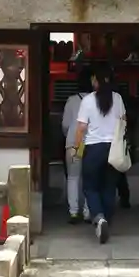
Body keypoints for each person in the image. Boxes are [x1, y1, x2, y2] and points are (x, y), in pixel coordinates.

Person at [74, 67, 126, 243]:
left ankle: (99, 217)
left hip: (93, 149)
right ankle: (106, 220)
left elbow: (81, 128)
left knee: (90, 187)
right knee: (109, 186)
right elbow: (124, 121)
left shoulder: (88, 100)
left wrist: (76, 148)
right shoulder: (117, 98)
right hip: (113, 148)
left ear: (96, 81)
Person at [60, 69, 93, 224]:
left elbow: (66, 124)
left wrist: (68, 135)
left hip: (73, 143)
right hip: (90, 143)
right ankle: (87, 212)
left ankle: (73, 212)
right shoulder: (95, 100)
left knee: (73, 178)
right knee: (89, 178)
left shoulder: (71, 100)